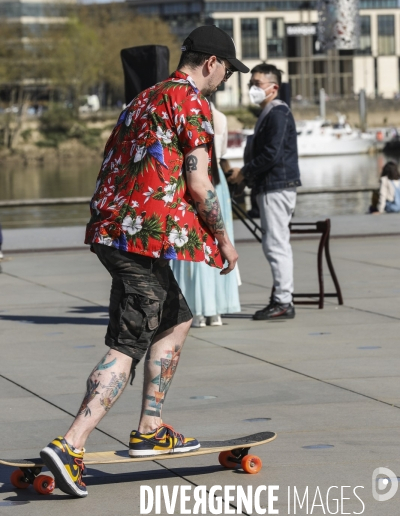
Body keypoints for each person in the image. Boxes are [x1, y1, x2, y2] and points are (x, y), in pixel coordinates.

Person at [40, 25, 248, 498]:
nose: (224, 82)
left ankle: (150, 427)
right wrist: (224, 240)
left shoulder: (144, 98)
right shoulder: (191, 101)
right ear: (211, 63)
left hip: (117, 231)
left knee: (175, 318)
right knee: (129, 341)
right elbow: (199, 184)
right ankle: (71, 444)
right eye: (226, 73)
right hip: (139, 238)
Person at [228, 63, 301, 321]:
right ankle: (282, 298)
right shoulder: (270, 113)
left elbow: (272, 154)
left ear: (273, 88)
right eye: (251, 84)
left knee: (276, 245)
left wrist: (244, 172)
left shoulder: (277, 113)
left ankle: (283, 301)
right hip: (272, 186)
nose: (252, 89)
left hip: (276, 187)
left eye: (257, 84)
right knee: (275, 244)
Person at [171, 104, 241, 327]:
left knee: (193, 239)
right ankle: (215, 310)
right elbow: (222, 153)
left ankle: (195, 308)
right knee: (216, 240)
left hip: (195, 176)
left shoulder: (185, 113)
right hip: (216, 179)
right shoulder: (220, 117)